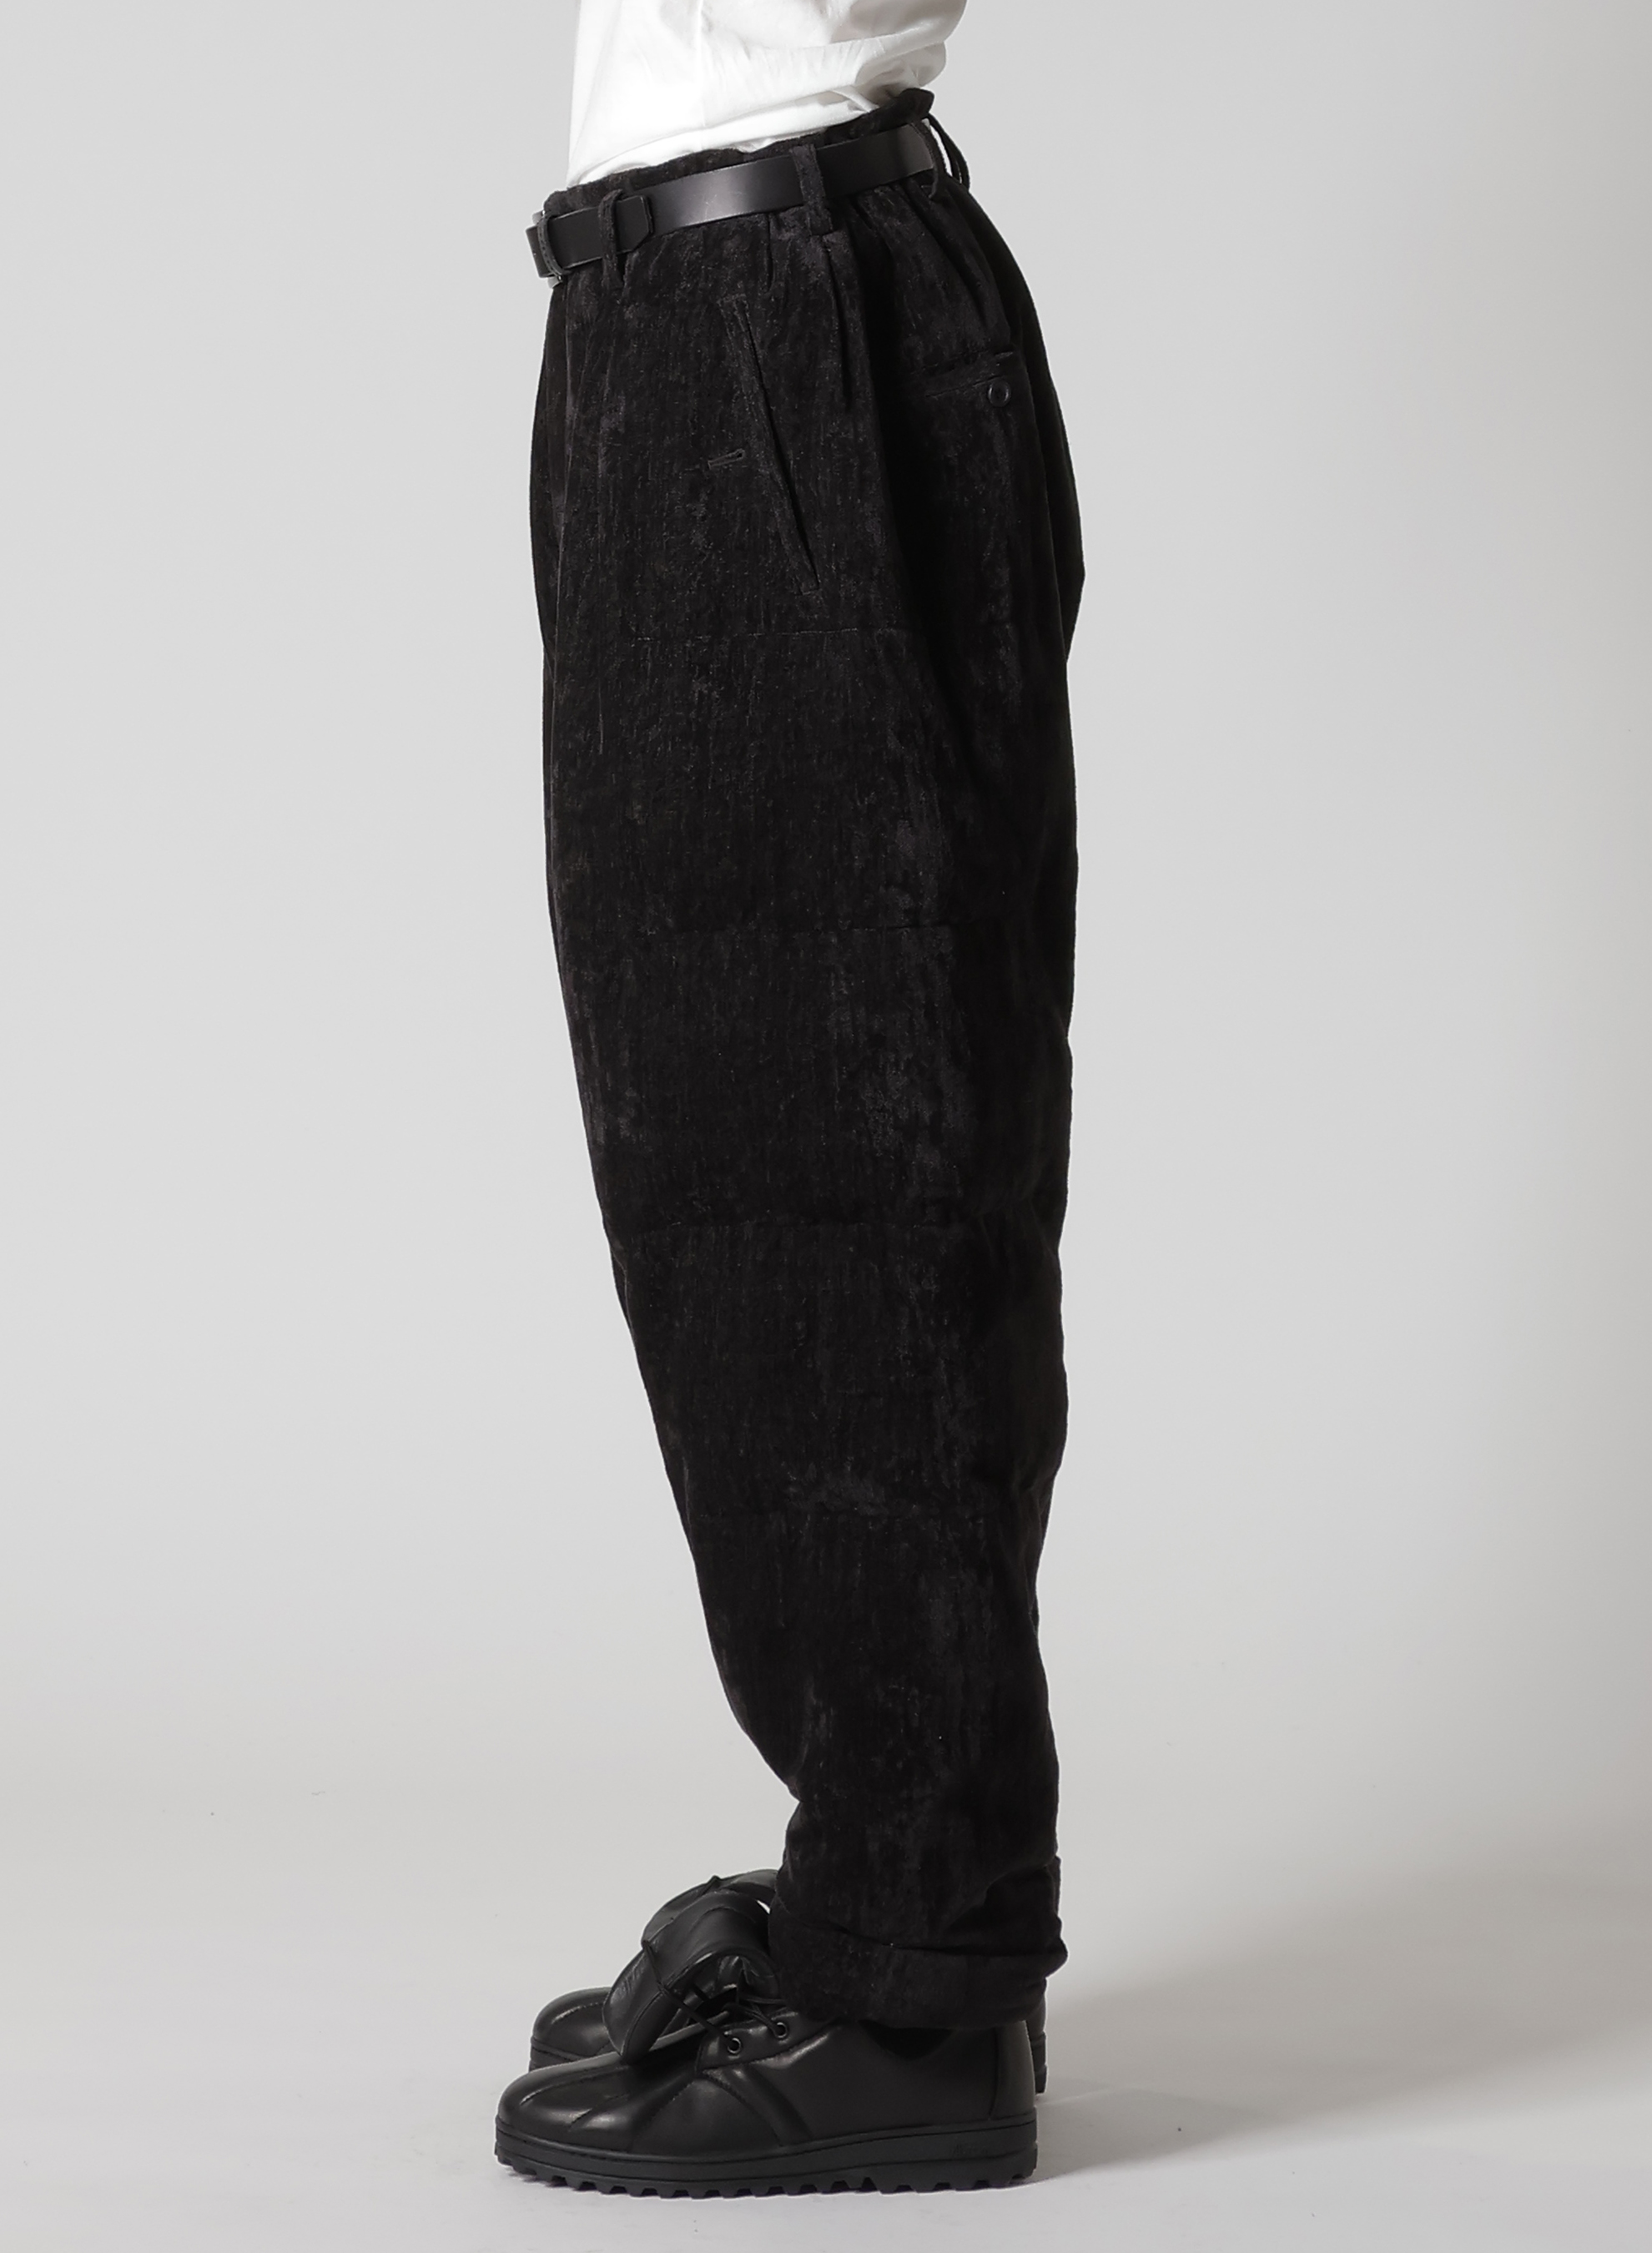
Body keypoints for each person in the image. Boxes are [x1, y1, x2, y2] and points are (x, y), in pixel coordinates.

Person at [495, 0, 1083, 2196]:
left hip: (769, 303)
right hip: (745, 292)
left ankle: (911, 1994)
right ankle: (903, 1890)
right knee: (815, 1134)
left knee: (821, 1153)